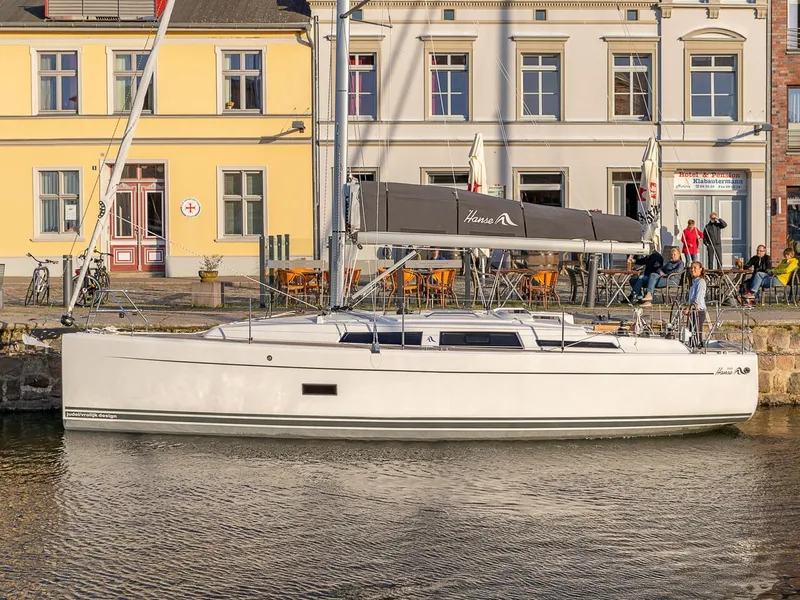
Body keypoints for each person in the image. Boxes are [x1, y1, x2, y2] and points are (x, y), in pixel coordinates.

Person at [684, 261, 707, 348]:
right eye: (691, 268)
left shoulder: (701, 282)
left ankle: (698, 348)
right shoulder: (694, 282)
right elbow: (691, 298)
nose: (692, 270)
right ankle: (691, 347)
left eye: (695, 268)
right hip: (693, 311)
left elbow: (698, 299)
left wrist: (689, 308)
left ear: (700, 270)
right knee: (691, 333)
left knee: (697, 333)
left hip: (698, 311)